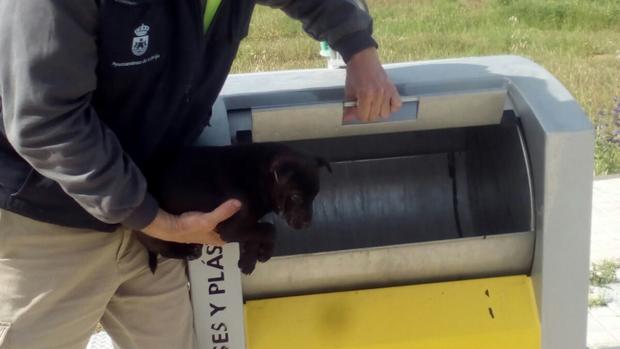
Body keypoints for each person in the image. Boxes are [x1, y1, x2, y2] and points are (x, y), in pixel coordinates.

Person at [0, 0, 402, 348]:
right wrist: (155, 219)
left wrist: (359, 50)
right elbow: (45, 119)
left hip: (154, 213)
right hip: (50, 224)